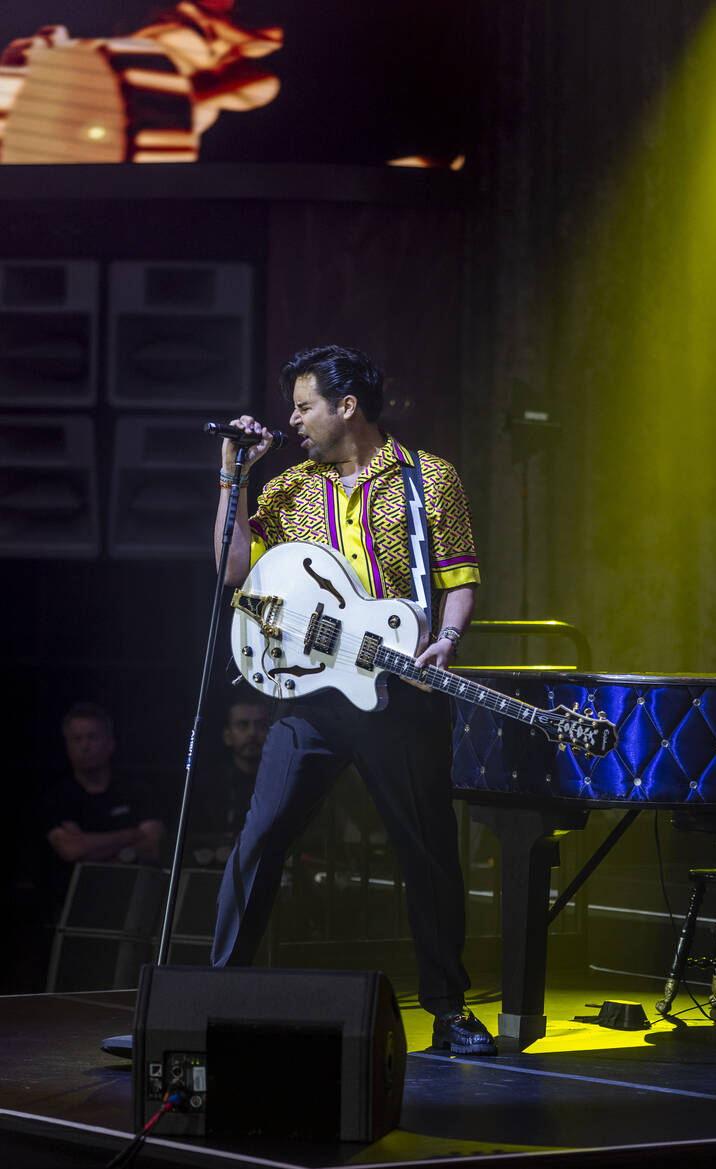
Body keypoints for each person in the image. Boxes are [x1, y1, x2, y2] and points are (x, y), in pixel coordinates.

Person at [211, 344, 494, 1055]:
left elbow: (460, 575)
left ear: (347, 407)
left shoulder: (430, 479)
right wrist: (231, 480)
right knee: (261, 838)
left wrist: (448, 641)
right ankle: (212, 996)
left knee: (426, 851)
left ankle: (449, 1009)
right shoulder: (285, 488)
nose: (293, 420)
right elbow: (231, 570)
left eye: (304, 406)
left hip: (399, 690)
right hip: (310, 697)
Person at [41, 702, 166, 918]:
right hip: (73, 910)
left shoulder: (136, 790)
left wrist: (91, 848)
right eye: (77, 739)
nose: (85, 746)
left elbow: (153, 846)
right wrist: (130, 836)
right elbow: (72, 850)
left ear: (110, 743)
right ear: (67, 745)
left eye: (92, 737)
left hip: (133, 906)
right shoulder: (56, 798)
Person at [191, 696, 272, 837]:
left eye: (261, 725)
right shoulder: (207, 786)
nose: (252, 733)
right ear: (227, 735)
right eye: (242, 725)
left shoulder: (280, 783)